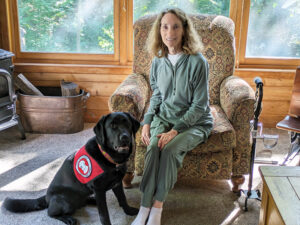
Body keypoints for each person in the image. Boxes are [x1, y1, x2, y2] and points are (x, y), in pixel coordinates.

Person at [131, 8, 213, 225]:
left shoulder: (198, 62)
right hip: (164, 117)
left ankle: (157, 208)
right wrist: (148, 121)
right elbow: (157, 95)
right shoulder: (158, 61)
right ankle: (144, 207)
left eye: (175, 26)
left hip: (195, 122)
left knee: (168, 149)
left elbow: (200, 105)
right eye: (165, 26)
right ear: (159, 30)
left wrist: (176, 130)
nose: (170, 32)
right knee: (152, 147)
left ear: (184, 29)